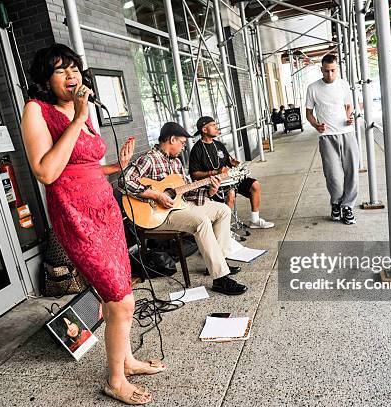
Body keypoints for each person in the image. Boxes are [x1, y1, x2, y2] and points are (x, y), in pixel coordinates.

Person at [21, 43, 163, 405]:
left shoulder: (77, 108)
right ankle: (116, 380)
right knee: (120, 297)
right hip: (76, 215)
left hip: (105, 210)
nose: (71, 76)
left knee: (122, 292)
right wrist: (79, 119)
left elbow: (80, 164)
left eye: (74, 68)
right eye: (60, 70)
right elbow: (47, 171)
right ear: (44, 78)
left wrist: (115, 167)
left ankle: (126, 361)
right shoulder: (37, 111)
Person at [121, 122, 248, 296]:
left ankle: (220, 263)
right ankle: (220, 279)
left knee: (222, 210)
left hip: (180, 206)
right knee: (201, 222)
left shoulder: (177, 163)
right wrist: (157, 195)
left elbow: (186, 192)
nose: (183, 147)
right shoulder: (149, 159)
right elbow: (124, 181)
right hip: (157, 215)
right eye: (181, 142)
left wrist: (210, 190)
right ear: (172, 139)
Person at [189, 116, 274, 229]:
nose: (216, 127)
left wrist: (233, 163)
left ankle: (255, 220)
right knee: (231, 194)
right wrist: (215, 172)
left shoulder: (218, 144)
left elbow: (228, 161)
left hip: (230, 179)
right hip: (213, 184)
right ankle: (224, 229)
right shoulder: (196, 149)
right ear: (204, 130)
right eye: (213, 125)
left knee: (255, 185)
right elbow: (194, 174)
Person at [305, 54, 358, 225]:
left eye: (333, 71)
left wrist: (349, 118)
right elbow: (308, 113)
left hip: (347, 133)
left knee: (352, 172)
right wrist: (316, 125)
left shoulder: (343, 84)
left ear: (337, 69)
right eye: (326, 71)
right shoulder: (313, 88)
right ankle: (336, 202)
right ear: (321, 69)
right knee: (333, 175)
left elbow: (349, 106)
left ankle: (347, 206)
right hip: (327, 137)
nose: (330, 75)